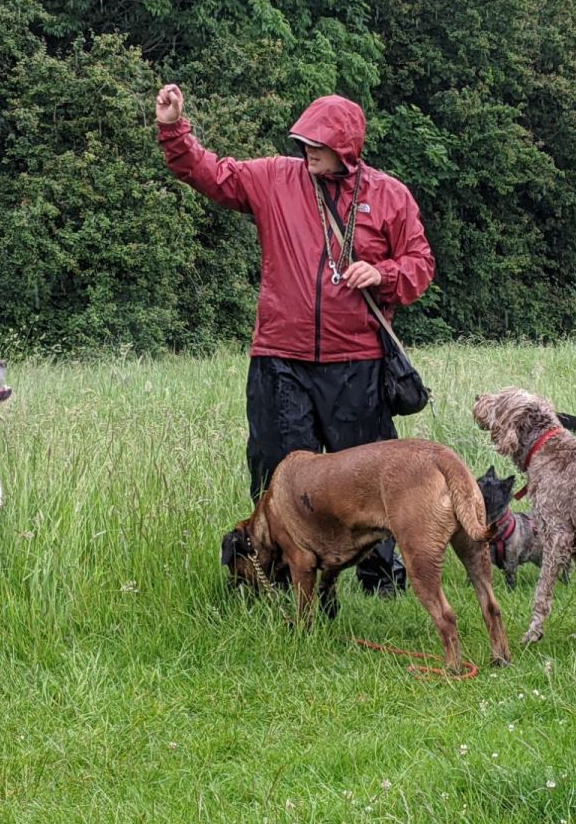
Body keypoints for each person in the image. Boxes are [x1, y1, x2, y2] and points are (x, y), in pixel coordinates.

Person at [156, 84, 435, 594]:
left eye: (319, 143)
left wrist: (383, 273)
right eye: (303, 140)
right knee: (276, 468)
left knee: (368, 476)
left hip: (358, 361)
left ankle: (382, 577)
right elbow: (210, 174)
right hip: (279, 360)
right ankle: (274, 572)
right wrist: (175, 129)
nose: (307, 150)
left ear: (347, 149)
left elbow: (421, 267)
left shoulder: (389, 195)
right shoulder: (274, 178)